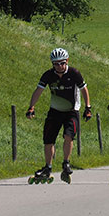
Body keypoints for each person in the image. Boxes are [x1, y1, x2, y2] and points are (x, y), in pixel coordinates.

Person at [27, 48, 91, 183]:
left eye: (62, 63)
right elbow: (38, 90)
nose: (59, 66)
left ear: (67, 61)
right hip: (55, 110)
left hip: (72, 110)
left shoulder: (74, 73)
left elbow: (84, 89)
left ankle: (66, 163)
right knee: (48, 138)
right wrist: (31, 107)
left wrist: (88, 107)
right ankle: (47, 167)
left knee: (69, 135)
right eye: (55, 64)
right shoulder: (48, 75)